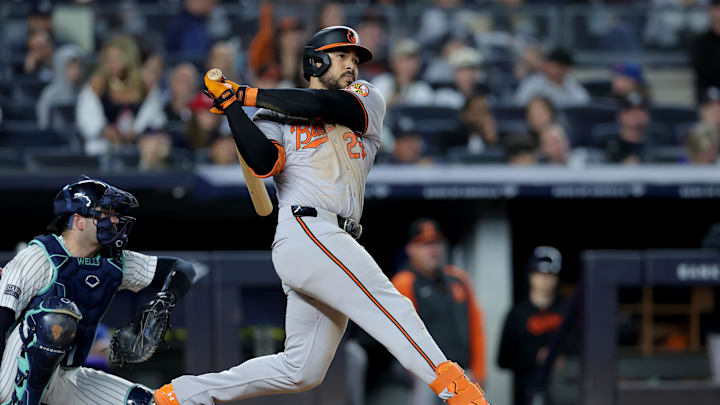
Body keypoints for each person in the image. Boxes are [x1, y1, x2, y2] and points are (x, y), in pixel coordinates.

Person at [153, 25, 489, 405]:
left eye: (355, 58)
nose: (351, 65)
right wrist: (233, 109)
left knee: (301, 370)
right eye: (342, 56)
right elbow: (263, 161)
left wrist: (245, 94)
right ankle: (460, 394)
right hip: (306, 228)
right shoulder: (269, 115)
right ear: (314, 61)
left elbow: (325, 106)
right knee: (391, 304)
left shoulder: (364, 97)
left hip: (333, 236)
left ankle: (177, 395)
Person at [0, 177, 196, 404]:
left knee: (145, 402)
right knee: (56, 316)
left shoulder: (114, 263)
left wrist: (165, 299)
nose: (114, 219)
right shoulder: (38, 256)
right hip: (13, 372)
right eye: (104, 212)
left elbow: (181, 268)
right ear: (78, 221)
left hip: (67, 374)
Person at [392, 219, 487, 405]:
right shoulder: (404, 282)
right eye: (425, 244)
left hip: (462, 371)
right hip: (426, 374)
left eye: (435, 243)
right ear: (410, 249)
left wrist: (480, 370)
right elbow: (401, 338)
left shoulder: (458, 279)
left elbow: (476, 327)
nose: (432, 250)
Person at [498, 246, 568, 405]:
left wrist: (563, 358)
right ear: (530, 275)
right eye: (540, 274)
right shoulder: (517, 314)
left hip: (564, 391)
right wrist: (534, 357)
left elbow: (581, 345)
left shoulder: (567, 311)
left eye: (550, 275)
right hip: (527, 391)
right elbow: (503, 359)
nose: (544, 280)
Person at [76, 35, 166, 156]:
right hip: (103, 147)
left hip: (138, 147)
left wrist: (137, 131)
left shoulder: (144, 86)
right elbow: (86, 116)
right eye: (109, 59)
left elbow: (154, 117)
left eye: (117, 59)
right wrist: (104, 130)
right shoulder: (97, 84)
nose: (112, 64)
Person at [514, 48, 589, 107]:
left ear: (565, 69)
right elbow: (520, 105)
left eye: (552, 65)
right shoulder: (533, 83)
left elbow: (582, 103)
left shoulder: (572, 85)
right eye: (547, 64)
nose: (547, 68)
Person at [371, 38, 434, 107]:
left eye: (411, 61)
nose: (407, 65)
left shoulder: (423, 90)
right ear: (392, 62)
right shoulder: (381, 82)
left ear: (418, 64)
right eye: (402, 60)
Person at [36, 44, 85, 130]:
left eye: (78, 67)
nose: (75, 71)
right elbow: (43, 123)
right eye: (70, 67)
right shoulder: (49, 94)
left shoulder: (84, 92)